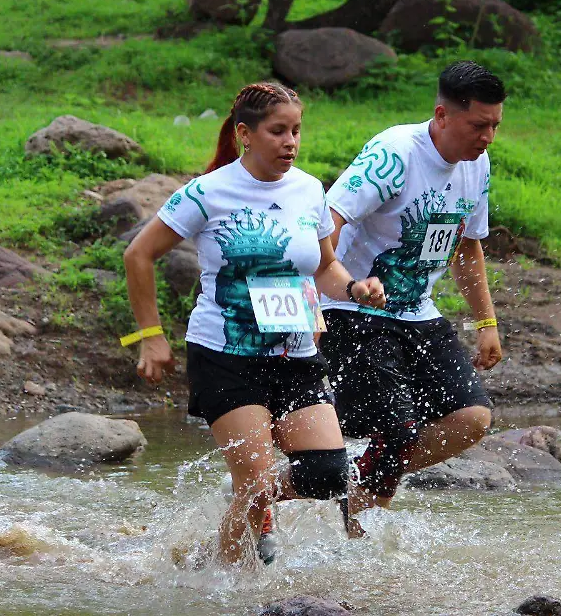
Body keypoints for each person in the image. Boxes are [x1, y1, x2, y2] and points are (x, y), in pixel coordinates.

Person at [123, 82, 386, 566]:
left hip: (296, 354)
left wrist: (354, 288)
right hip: (226, 356)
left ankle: (240, 509)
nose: (291, 142)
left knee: (327, 475)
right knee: (257, 484)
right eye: (277, 131)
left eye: (296, 131)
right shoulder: (208, 192)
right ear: (245, 134)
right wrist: (151, 336)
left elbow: (325, 266)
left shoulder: (308, 189)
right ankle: (229, 584)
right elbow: (138, 254)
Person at [319, 61, 505, 536]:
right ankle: (352, 532)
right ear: (442, 115)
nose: (487, 137)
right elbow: (327, 220)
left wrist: (486, 323)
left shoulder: (477, 164)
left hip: (417, 311)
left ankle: (343, 480)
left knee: (471, 418)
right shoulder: (395, 153)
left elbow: (467, 246)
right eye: (478, 125)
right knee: (395, 432)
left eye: (495, 126)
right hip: (353, 307)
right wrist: (326, 288)